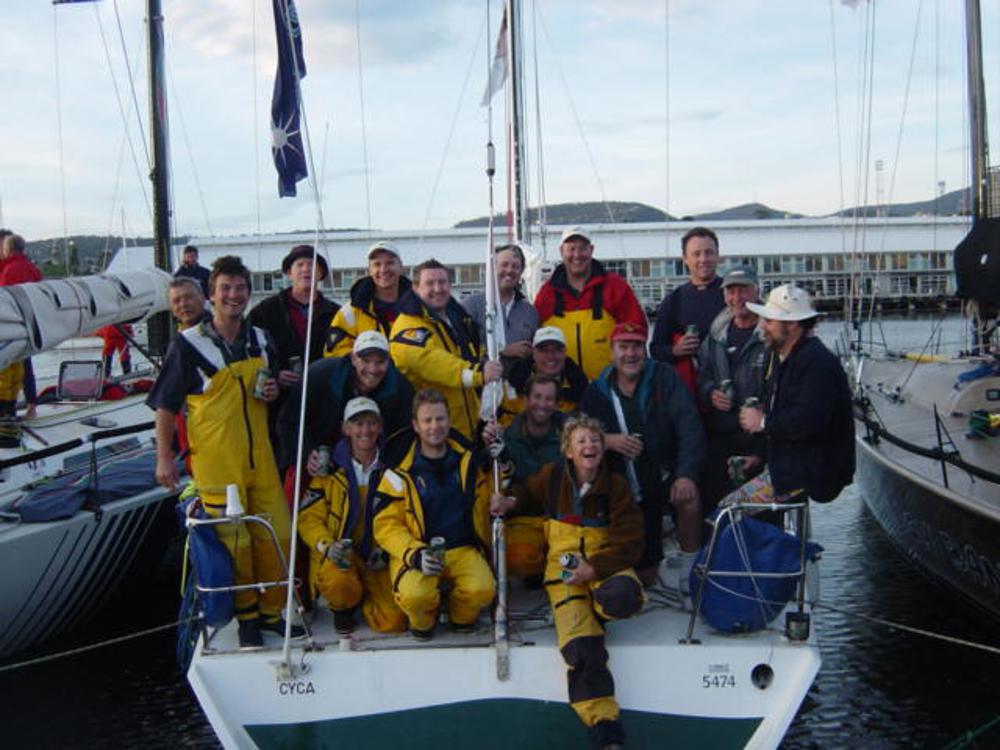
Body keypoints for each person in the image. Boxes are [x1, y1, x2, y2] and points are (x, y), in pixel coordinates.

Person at [147, 255, 302, 648]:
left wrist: (274, 389)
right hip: (217, 462)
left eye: (240, 289)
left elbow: (272, 388)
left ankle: (273, 613)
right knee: (238, 543)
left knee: (277, 536)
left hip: (260, 458)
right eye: (226, 289)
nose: (234, 296)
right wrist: (164, 458)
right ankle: (248, 618)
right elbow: (165, 405)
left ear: (248, 293)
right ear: (212, 296)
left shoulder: (261, 339)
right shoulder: (188, 345)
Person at [490, 415, 644, 750]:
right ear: (568, 451)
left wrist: (595, 568)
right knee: (582, 649)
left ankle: (601, 609)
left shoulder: (616, 487)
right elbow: (525, 494)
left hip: (603, 568)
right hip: (565, 579)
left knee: (624, 596)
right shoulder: (552, 477)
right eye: (581, 441)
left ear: (602, 448)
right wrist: (509, 501)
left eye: (594, 440)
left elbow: (631, 544)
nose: (589, 446)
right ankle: (606, 731)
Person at [580, 322, 706, 588]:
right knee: (645, 578)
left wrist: (685, 474)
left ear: (645, 350)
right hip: (624, 490)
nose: (630, 354)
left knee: (689, 495)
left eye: (637, 346)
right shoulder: (597, 391)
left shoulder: (665, 378)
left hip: (662, 477)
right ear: (612, 351)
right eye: (623, 347)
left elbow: (690, 426)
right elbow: (576, 439)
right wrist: (607, 440)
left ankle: (689, 576)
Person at [372, 388, 497, 641]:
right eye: (427, 420)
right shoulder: (398, 472)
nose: (434, 426)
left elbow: (492, 494)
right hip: (419, 550)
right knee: (415, 596)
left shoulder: (469, 462)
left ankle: (460, 619)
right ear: (415, 426)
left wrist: (502, 464)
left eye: (440, 419)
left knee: (483, 589)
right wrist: (415, 554)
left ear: (449, 421)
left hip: (462, 548)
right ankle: (423, 625)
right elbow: (386, 527)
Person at [298, 397, 405, 635]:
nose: (365, 430)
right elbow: (308, 518)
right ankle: (344, 609)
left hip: (377, 556)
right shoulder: (328, 470)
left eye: (371, 423)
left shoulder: (395, 467)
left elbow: (408, 516)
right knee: (338, 581)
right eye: (357, 423)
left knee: (393, 622)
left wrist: (387, 551)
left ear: (380, 427)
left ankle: (367, 595)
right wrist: (327, 546)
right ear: (346, 428)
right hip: (341, 554)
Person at [739, 284, 855, 503]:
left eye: (769, 320)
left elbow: (807, 420)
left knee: (728, 516)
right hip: (791, 471)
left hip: (806, 478)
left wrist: (762, 422)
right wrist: (759, 456)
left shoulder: (817, 363)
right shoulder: (792, 357)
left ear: (792, 324)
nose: (762, 326)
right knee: (732, 516)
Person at [275, 330, 414, 479]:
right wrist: (305, 454)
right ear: (353, 358)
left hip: (370, 469)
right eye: (366, 361)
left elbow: (404, 435)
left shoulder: (401, 388)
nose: (373, 369)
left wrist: (388, 466)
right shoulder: (320, 375)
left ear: (389, 361)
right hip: (318, 464)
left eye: (380, 362)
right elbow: (289, 421)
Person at [389, 258, 502, 441]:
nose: (437, 288)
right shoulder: (408, 327)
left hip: (468, 427)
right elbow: (431, 362)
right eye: (430, 283)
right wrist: (478, 374)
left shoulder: (457, 318)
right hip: (434, 431)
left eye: (442, 282)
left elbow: (474, 355)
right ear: (416, 288)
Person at [696, 265, 772, 513]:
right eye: (731, 291)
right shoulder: (717, 331)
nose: (737, 298)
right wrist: (710, 392)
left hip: (762, 440)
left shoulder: (772, 332)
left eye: (744, 290)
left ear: (757, 291)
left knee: (760, 514)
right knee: (719, 505)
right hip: (722, 436)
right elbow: (703, 371)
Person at [535, 227, 646, 381]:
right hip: (561, 392)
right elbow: (534, 339)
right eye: (571, 249)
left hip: (608, 388)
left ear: (591, 250)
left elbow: (637, 331)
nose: (577, 255)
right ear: (561, 251)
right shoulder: (548, 293)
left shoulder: (615, 286)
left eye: (582, 248)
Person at [488, 373, 566, 580]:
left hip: (561, 516)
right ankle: (539, 571)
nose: (542, 404)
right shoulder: (507, 436)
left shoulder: (571, 433)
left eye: (549, 398)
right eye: (537, 397)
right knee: (520, 558)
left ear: (557, 403)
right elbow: (508, 480)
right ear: (526, 399)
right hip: (525, 514)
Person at [650, 227, 725, 395]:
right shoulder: (674, 300)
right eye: (696, 254)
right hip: (690, 393)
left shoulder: (733, 294)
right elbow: (655, 350)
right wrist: (675, 350)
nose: (703, 259)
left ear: (718, 256)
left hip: (729, 389)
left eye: (709, 252)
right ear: (685, 259)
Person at [325, 241, 411, 358]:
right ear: (369, 270)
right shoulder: (350, 312)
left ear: (401, 268)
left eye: (390, 263)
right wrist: (365, 360)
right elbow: (333, 351)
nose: (383, 269)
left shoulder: (418, 307)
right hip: (369, 375)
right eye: (377, 264)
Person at [462, 243, 538, 366]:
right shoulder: (471, 306)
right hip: (481, 382)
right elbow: (460, 349)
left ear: (521, 272)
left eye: (515, 266)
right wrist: (502, 351)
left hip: (519, 384)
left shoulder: (530, 312)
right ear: (492, 268)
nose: (509, 270)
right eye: (504, 265)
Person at [500, 326, 589, 423]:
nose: (551, 356)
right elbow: (500, 427)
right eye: (544, 350)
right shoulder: (511, 387)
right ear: (533, 353)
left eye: (557, 350)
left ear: (564, 353)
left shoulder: (583, 390)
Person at [0, 232, 42, 426]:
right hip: (30, 326)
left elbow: (5, 301)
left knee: (8, 369)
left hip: (10, 327)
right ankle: (31, 405)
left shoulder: (8, 270)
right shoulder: (32, 269)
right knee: (24, 368)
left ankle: (6, 410)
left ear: (8, 249)